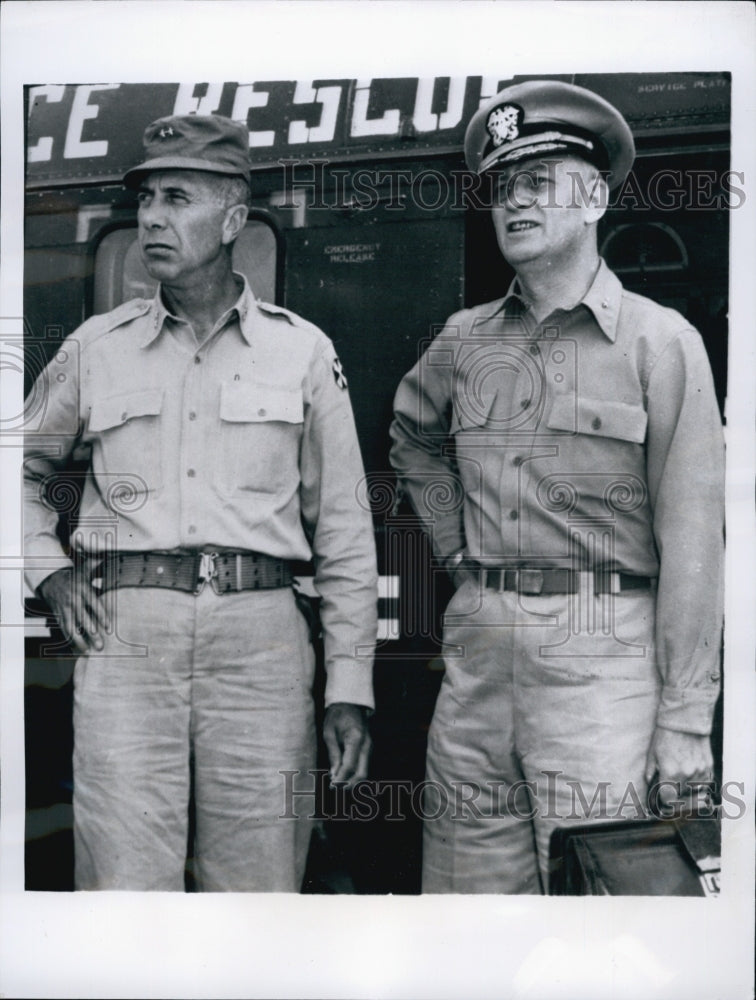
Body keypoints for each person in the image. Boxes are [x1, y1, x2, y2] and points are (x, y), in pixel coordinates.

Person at [24, 113, 377, 892]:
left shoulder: (302, 351)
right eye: (145, 199)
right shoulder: (95, 348)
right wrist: (48, 570)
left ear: (233, 219)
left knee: (257, 892)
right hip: (127, 640)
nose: (152, 217)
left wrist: (349, 687)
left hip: (262, 645)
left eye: (176, 197)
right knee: (123, 884)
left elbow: (346, 530)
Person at [390, 80, 724, 893]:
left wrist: (684, 721)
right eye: (503, 186)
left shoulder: (658, 343)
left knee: (601, 913)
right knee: (467, 911)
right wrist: (459, 548)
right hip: (477, 657)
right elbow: (410, 435)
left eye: (538, 183)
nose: (515, 202)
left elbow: (694, 545)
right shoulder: (466, 340)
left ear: (595, 197)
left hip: (603, 661)